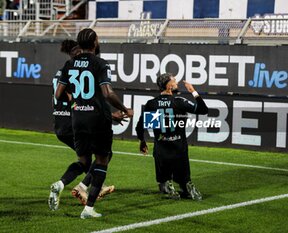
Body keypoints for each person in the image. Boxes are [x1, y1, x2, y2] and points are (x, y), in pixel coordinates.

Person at [50, 28, 133, 219]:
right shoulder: (100, 63)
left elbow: (58, 93)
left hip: (77, 119)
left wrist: (75, 102)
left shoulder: (69, 64)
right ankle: (88, 209)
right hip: (97, 120)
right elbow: (107, 93)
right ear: (94, 42)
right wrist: (125, 108)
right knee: (103, 159)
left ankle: (64, 184)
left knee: (84, 161)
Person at [136, 73, 208, 200]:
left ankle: (167, 184)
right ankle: (186, 185)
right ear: (169, 86)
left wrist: (142, 141)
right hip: (179, 148)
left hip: (161, 150)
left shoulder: (152, 104)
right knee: (184, 176)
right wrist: (193, 91)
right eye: (174, 81)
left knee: (163, 177)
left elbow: (141, 126)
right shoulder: (179, 102)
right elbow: (203, 109)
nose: (177, 82)